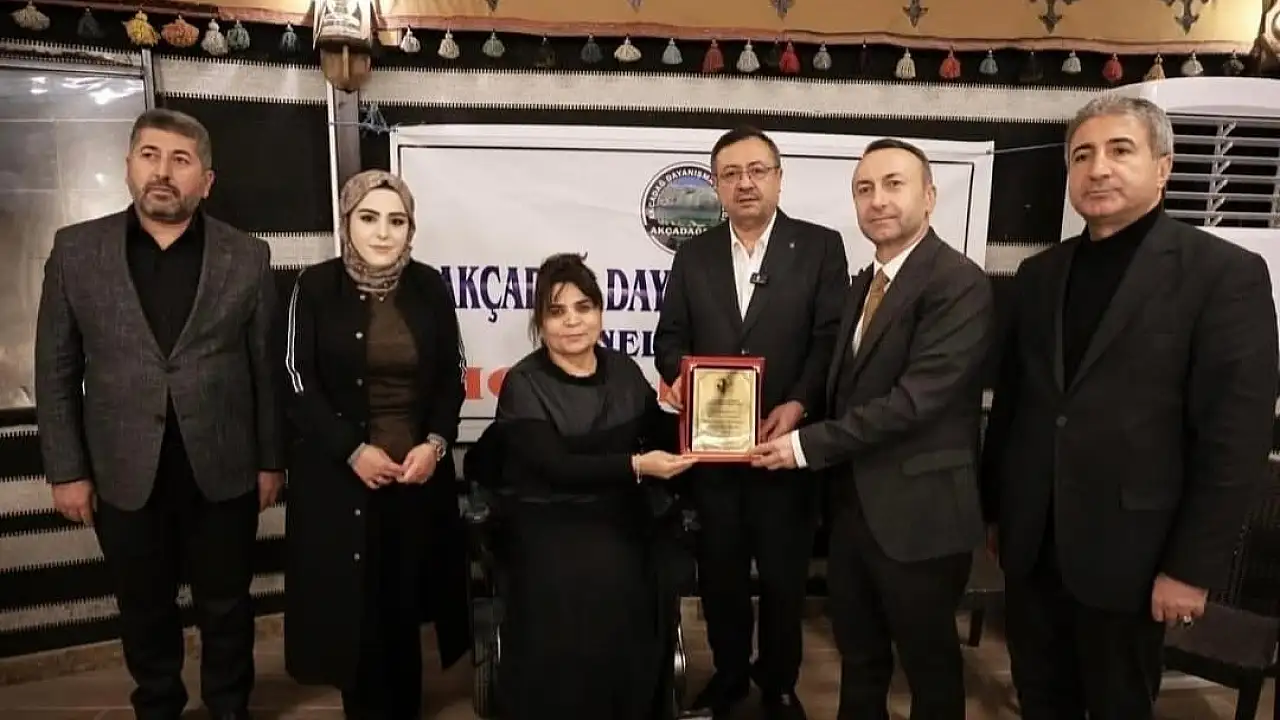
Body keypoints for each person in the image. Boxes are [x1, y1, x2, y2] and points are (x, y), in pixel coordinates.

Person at [981, 94, 1279, 719]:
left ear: (1163, 166)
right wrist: (996, 514)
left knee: (1118, 704)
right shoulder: (1039, 275)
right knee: (1041, 700)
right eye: (1081, 155)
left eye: (1120, 151)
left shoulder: (1223, 275)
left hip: (1136, 556)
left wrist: (1191, 569)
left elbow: (1234, 440)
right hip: (1034, 546)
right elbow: (1015, 405)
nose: (1098, 169)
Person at [33, 108, 283, 720]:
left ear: (207, 180)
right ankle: (159, 705)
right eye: (149, 155)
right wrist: (67, 470)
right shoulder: (76, 251)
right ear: (128, 166)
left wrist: (271, 462)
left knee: (227, 605)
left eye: (180, 159)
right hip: (122, 471)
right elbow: (55, 371)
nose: (162, 172)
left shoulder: (248, 256)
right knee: (144, 607)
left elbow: (266, 371)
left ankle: (229, 705)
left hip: (223, 467)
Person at [751, 138, 994, 720]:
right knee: (859, 659)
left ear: (929, 197)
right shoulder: (863, 283)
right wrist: (798, 406)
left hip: (921, 519)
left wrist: (804, 445)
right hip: (853, 513)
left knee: (930, 669)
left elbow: (914, 402)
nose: (877, 200)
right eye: (864, 189)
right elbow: (847, 385)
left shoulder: (957, 282)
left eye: (893, 184)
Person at [653, 125, 849, 720]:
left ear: (779, 178)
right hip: (715, 457)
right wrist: (679, 378)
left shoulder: (820, 247)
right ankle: (730, 676)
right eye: (731, 173)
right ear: (716, 185)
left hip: (786, 448)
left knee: (786, 579)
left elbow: (829, 341)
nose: (745, 183)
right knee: (722, 577)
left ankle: (780, 682)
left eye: (757, 170)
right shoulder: (694, 255)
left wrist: (800, 404)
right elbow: (670, 339)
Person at [281, 169, 471, 719]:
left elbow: (453, 376)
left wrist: (435, 444)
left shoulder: (429, 286)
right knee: (354, 609)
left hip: (415, 476)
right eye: (369, 218)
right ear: (347, 223)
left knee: (402, 604)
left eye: (397, 220)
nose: (383, 233)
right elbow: (295, 379)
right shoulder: (313, 287)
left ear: (411, 229)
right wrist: (352, 450)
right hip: (341, 479)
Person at [492, 252, 698, 720]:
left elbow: (660, 433)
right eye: (557, 311)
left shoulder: (624, 370)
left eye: (583, 307)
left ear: (600, 312)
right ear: (540, 322)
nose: (572, 321)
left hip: (620, 510)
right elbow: (555, 468)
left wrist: (695, 415)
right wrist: (637, 466)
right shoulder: (524, 383)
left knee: (646, 566)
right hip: (548, 513)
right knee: (587, 575)